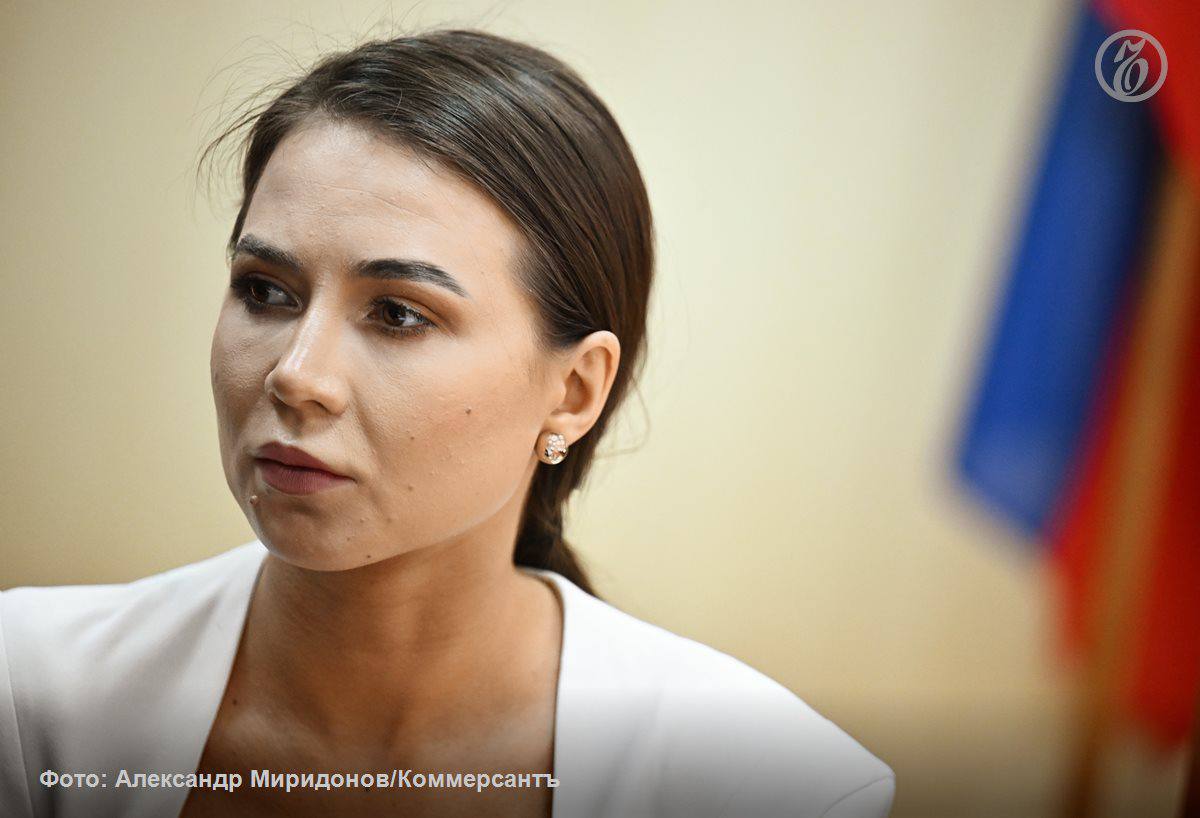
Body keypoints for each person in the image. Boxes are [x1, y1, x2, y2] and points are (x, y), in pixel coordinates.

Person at [0, 29, 894, 818]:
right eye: (265, 291)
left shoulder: (772, 787)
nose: (296, 375)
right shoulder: (32, 696)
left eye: (398, 313)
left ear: (573, 391)